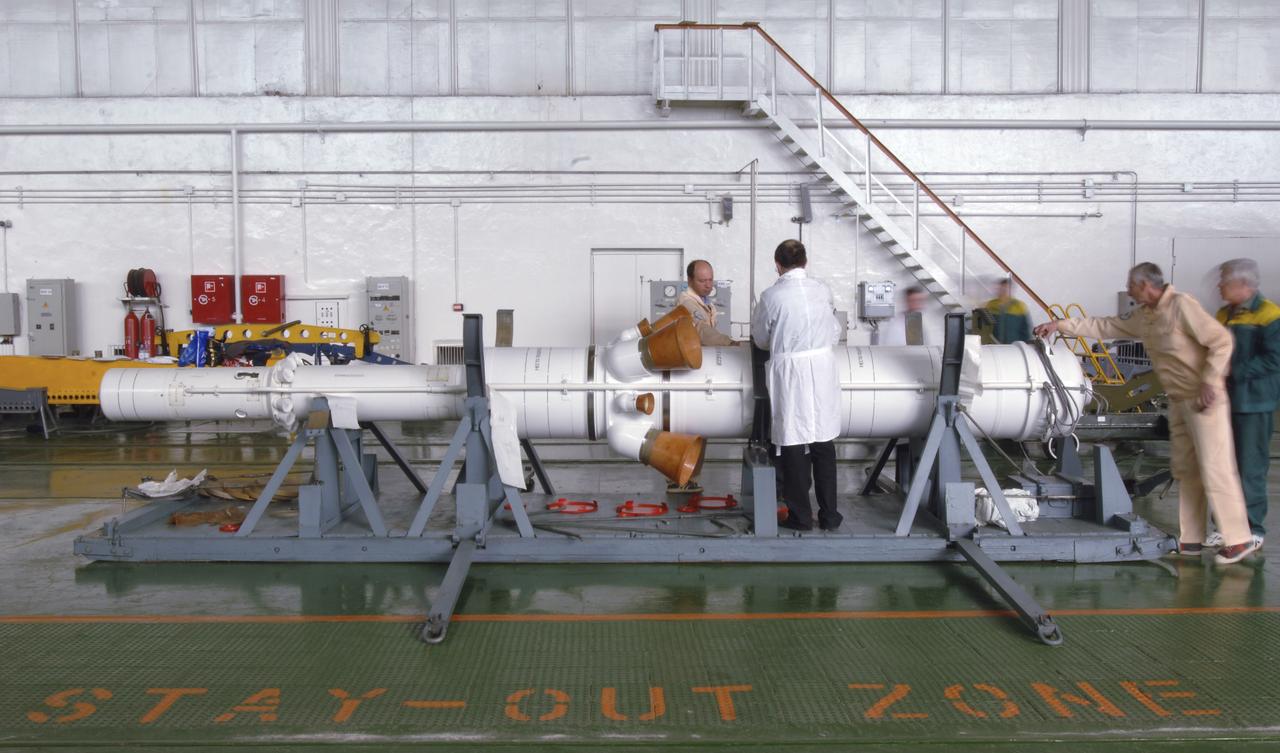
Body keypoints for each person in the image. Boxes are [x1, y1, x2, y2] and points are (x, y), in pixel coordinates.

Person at [1034, 262, 1260, 565]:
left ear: (1145, 285)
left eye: (1131, 285)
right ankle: (1191, 540)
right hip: (1178, 401)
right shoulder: (1145, 315)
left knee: (1215, 467)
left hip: (1204, 400)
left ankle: (1239, 539)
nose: (1128, 291)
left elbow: (1221, 341)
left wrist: (1210, 380)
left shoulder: (1181, 306)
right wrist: (1060, 325)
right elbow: (1105, 326)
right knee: (1186, 470)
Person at [751, 239, 843, 531]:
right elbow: (835, 330)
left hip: (791, 372)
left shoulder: (771, 296)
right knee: (823, 441)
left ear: (777, 265)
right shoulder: (822, 290)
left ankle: (801, 517)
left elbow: (761, 339)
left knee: (793, 441)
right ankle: (830, 516)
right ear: (805, 262)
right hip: (822, 368)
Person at [1215, 258, 1279, 548]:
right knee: (1223, 467)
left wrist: (1234, 371)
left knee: (1250, 468)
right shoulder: (1224, 314)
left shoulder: (1269, 315)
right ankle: (1225, 526)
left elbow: (1274, 359)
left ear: (1244, 285)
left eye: (1224, 281)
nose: (1219, 286)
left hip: (1254, 403)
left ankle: (1252, 529)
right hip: (1225, 402)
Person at [676, 260, 736, 346]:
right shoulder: (686, 302)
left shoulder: (705, 302)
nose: (708, 285)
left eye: (710, 280)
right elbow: (702, 328)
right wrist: (728, 342)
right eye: (702, 281)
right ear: (690, 280)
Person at [983, 278, 1033, 344]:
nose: (1004, 291)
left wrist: (1026, 344)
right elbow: (984, 328)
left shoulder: (1019, 306)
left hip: (1013, 346)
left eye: (1006, 288)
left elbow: (1025, 330)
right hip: (994, 345)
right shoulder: (990, 305)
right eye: (1002, 288)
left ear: (1011, 290)